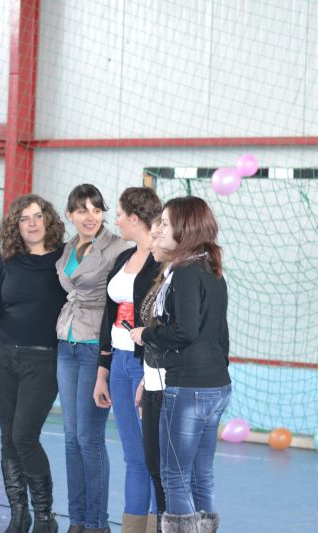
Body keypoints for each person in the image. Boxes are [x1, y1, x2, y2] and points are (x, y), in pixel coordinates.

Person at [0, 193, 67, 533]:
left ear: (48, 219)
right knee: (8, 438)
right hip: (4, 357)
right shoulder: (6, 262)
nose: (31, 223)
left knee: (24, 436)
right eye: (24, 218)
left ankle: (45, 516)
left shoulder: (64, 258)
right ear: (15, 226)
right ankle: (20, 515)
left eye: (37, 216)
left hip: (43, 359)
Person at [129, 197, 231, 533]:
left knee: (175, 475)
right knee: (202, 474)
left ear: (184, 230)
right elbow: (221, 337)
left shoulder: (186, 272)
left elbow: (185, 331)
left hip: (189, 387)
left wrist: (147, 334)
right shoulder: (211, 269)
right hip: (215, 384)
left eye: (165, 224)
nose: (158, 230)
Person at [56, 183, 129, 533]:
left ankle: (98, 523)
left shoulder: (118, 248)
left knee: (89, 438)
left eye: (97, 210)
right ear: (70, 214)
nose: (91, 216)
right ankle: (77, 520)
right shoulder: (68, 247)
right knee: (71, 438)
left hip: (94, 346)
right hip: (65, 344)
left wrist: (107, 356)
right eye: (83, 210)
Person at [92, 188, 162, 533]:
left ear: (134, 218)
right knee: (133, 456)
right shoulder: (123, 258)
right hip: (119, 364)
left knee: (152, 458)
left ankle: (158, 526)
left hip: (144, 366)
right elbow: (108, 317)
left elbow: (162, 322)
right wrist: (102, 371)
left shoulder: (162, 263)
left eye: (119, 214)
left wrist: (149, 373)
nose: (116, 221)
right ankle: (133, 527)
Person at [132, 215, 170, 533]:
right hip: (153, 382)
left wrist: (144, 334)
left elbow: (179, 336)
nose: (152, 241)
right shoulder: (161, 278)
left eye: (159, 235)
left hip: (175, 388)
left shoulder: (185, 280)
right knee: (155, 467)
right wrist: (145, 380)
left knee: (171, 472)